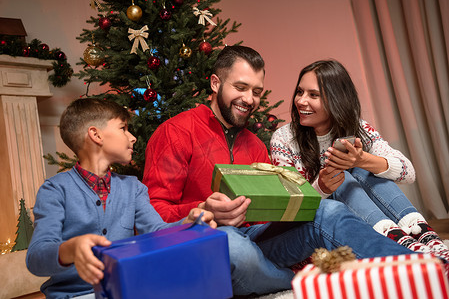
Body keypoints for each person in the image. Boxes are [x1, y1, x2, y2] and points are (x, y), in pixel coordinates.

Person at [143, 46, 422, 296]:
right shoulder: (175, 132)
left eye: (256, 91)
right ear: (216, 83)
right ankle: (300, 281)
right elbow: (152, 215)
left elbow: (273, 214)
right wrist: (203, 209)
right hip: (208, 240)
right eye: (240, 87)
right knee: (229, 245)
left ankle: (416, 270)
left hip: (256, 237)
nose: (249, 99)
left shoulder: (254, 144)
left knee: (330, 211)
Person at [26, 99, 215, 299]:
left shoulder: (133, 188)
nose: (132, 137)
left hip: (125, 290)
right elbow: (36, 257)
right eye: (123, 129)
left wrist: (186, 226)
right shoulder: (55, 190)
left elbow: (156, 232)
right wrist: (70, 249)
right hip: (73, 295)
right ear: (96, 135)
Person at [270, 59, 449, 262]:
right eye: (300, 92)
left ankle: (427, 239)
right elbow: (290, 208)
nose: (301, 101)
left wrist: (362, 159)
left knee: (365, 169)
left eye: (313, 95)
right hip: (328, 233)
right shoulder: (284, 139)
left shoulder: (359, 129)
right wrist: (322, 187)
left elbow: (408, 172)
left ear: (336, 99)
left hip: (366, 219)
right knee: (342, 177)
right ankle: (399, 243)